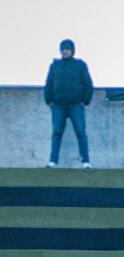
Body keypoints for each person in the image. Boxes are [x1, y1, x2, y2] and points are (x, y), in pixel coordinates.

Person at [44, 38, 93, 169]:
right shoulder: (55, 65)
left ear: (72, 51)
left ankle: (86, 161)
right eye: (63, 49)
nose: (65, 52)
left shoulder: (80, 65)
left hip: (76, 104)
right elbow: (48, 84)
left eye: (67, 49)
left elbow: (88, 84)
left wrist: (85, 101)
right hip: (58, 105)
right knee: (57, 132)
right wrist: (49, 100)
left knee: (81, 132)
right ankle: (53, 161)